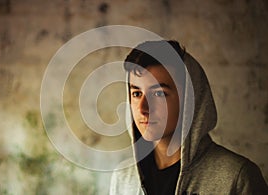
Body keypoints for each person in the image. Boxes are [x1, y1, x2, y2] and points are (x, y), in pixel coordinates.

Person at [110, 40, 268, 195]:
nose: (143, 108)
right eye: (137, 94)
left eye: (158, 93)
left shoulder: (237, 177)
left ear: (190, 99)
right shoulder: (123, 178)